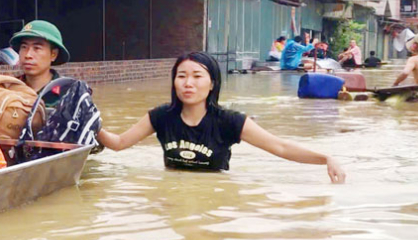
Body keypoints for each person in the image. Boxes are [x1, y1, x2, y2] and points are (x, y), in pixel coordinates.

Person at [96, 51, 346, 183]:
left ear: (212, 83)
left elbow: (279, 147)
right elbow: (118, 143)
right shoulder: (161, 116)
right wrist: (91, 124)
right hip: (171, 195)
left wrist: (325, 158)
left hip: (214, 196)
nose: (188, 83)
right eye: (181, 76)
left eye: (197, 76)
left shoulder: (229, 121)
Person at [10, 19, 70, 95]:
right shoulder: (7, 90)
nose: (28, 55)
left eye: (37, 48)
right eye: (24, 47)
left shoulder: (69, 93)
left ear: (53, 54)